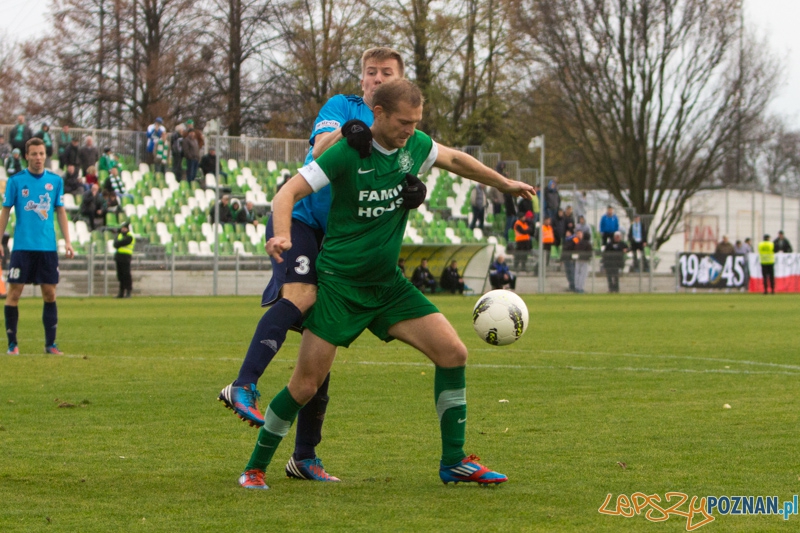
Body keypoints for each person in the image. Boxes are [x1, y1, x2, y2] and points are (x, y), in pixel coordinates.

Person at [237, 78, 531, 490]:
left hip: (388, 286)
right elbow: (286, 193)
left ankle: (454, 461)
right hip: (340, 287)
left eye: (416, 122)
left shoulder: (414, 146)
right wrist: (282, 235)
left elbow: (456, 160)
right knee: (304, 385)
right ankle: (255, 468)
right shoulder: (345, 153)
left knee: (453, 353)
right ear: (378, 113)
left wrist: (505, 183)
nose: (411, 130)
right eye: (403, 122)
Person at [219, 47, 409, 483]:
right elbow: (317, 151)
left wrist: (409, 193)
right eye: (371, 72)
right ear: (362, 80)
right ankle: (243, 384)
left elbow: (390, 183)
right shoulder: (342, 107)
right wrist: (347, 131)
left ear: (400, 81)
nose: (377, 78)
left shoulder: (401, 129)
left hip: (339, 240)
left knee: (320, 344)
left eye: (386, 72)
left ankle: (304, 456)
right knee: (301, 296)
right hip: (302, 221)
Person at [0, 137, 74, 355]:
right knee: (14, 293)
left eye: (41, 153)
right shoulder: (16, 181)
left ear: (45, 155)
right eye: (34, 154)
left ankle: (50, 344)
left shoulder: (55, 181)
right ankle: (12, 344)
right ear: (27, 156)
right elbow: (5, 212)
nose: (38, 158)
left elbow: (61, 211)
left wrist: (68, 241)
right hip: (22, 247)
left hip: (47, 247)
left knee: (50, 293)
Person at [113, 222, 135, 298]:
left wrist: (119, 243)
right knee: (120, 275)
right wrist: (119, 243)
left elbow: (121, 243)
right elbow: (115, 244)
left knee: (126, 274)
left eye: (125, 228)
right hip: (119, 256)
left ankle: (128, 291)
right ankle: (121, 292)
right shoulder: (119, 235)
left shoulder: (130, 236)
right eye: (122, 228)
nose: (123, 229)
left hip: (126, 257)